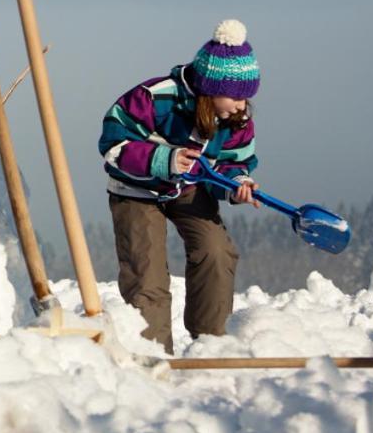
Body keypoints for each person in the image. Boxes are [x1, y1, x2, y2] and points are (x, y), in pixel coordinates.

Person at [98, 19, 262, 354]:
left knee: (216, 251)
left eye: (247, 98)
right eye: (235, 96)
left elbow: (233, 162)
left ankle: (210, 343)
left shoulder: (236, 120)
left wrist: (236, 183)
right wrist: (164, 160)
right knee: (147, 274)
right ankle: (153, 352)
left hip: (189, 189)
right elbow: (113, 145)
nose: (242, 106)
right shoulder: (153, 97)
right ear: (210, 88)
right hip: (136, 191)